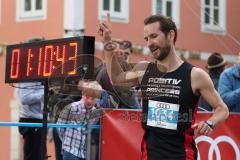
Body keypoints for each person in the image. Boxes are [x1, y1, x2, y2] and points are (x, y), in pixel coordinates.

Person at [98, 14, 229, 159]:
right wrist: (107, 42)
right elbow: (117, 79)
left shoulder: (195, 75)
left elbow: (222, 109)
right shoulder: (145, 70)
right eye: (146, 39)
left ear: (170, 35)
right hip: (151, 153)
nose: (149, 43)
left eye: (154, 36)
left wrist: (210, 123)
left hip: (181, 154)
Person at [57, 81, 102, 160]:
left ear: (97, 99)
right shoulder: (71, 107)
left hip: (83, 153)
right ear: (82, 94)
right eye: (87, 97)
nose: (89, 101)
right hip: (70, 150)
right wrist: (66, 143)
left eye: (93, 98)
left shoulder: (96, 113)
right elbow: (60, 127)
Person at [95, 39, 140, 109]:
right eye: (122, 53)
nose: (125, 57)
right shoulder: (107, 68)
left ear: (130, 55)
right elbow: (131, 102)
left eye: (127, 53)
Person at [17, 82, 44, 160]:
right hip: (31, 121)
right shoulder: (28, 76)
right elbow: (24, 98)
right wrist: (45, 93)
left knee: (39, 155)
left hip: (39, 120)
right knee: (33, 156)